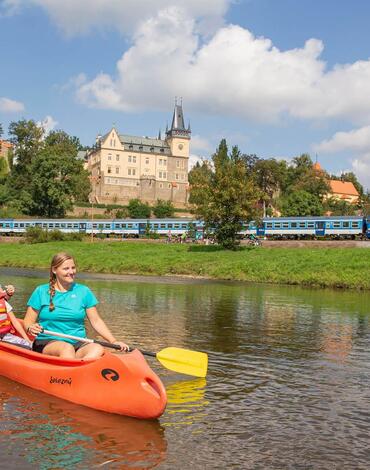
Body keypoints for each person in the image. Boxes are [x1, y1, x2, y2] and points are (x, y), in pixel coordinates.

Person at [24, 252, 129, 360]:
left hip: (78, 342)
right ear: (54, 270)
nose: (71, 272)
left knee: (97, 348)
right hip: (47, 342)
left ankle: (77, 370)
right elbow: (28, 322)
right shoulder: (41, 291)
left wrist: (114, 341)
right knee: (66, 349)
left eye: (73, 268)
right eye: (66, 269)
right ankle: (68, 372)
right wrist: (30, 327)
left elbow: (96, 321)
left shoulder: (84, 291)